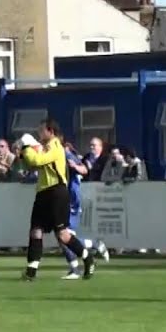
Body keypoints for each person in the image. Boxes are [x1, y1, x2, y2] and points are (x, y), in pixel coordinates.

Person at [17, 119, 95, 280]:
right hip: (43, 192)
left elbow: (37, 160)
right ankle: (31, 271)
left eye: (41, 131)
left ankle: (88, 258)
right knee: (35, 230)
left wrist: (26, 147)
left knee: (63, 235)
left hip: (56, 192)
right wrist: (23, 155)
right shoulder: (44, 148)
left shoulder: (55, 146)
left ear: (50, 131)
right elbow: (32, 165)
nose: (39, 134)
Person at [61, 143, 110, 279]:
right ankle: (75, 268)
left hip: (71, 200)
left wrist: (75, 166)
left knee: (65, 236)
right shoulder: (64, 156)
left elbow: (84, 170)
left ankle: (91, 247)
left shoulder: (67, 156)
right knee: (63, 237)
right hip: (64, 199)